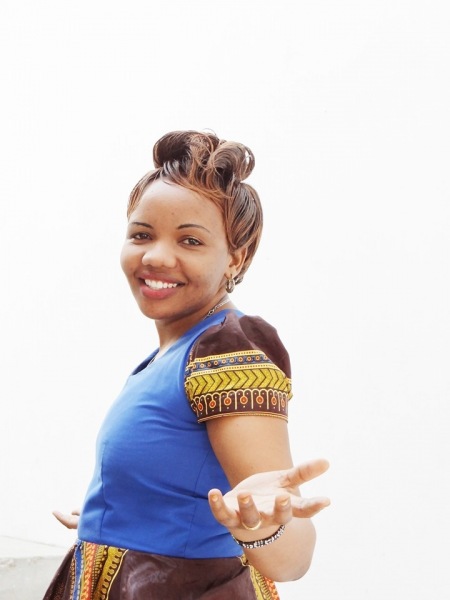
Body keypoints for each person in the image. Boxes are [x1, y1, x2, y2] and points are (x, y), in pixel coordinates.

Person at [43, 130, 330, 600]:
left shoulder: (225, 348)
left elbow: (291, 558)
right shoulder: (170, 353)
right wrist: (118, 515)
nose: (156, 255)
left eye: (190, 240)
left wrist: (265, 527)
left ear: (235, 258)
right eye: (141, 234)